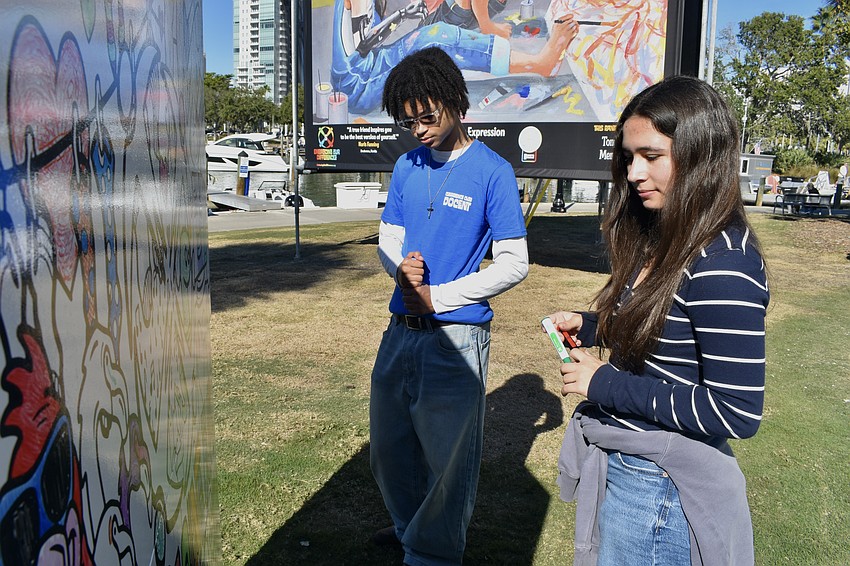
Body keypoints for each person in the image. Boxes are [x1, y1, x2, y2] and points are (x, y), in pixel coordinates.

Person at [548, 75, 770, 565]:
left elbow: (736, 411)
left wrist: (603, 383)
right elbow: (666, 334)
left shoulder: (723, 262)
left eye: (651, 156)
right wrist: (591, 326)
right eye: (629, 157)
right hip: (631, 464)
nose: (633, 173)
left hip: (663, 491)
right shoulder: (666, 236)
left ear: (700, 155)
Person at [370, 46, 529, 565]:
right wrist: (400, 269)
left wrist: (440, 294)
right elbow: (387, 237)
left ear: (456, 102)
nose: (419, 130)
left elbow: (513, 263)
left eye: (427, 116)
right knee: (390, 449)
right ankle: (408, 531)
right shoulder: (406, 166)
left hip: (456, 336)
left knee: (448, 462)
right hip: (399, 331)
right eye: (408, 121)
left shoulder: (492, 171)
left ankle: (433, 555)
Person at [332, 0, 578, 113]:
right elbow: (365, 43)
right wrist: (404, 15)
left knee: (432, 36)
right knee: (435, 36)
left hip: (366, 68)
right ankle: (540, 64)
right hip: (358, 83)